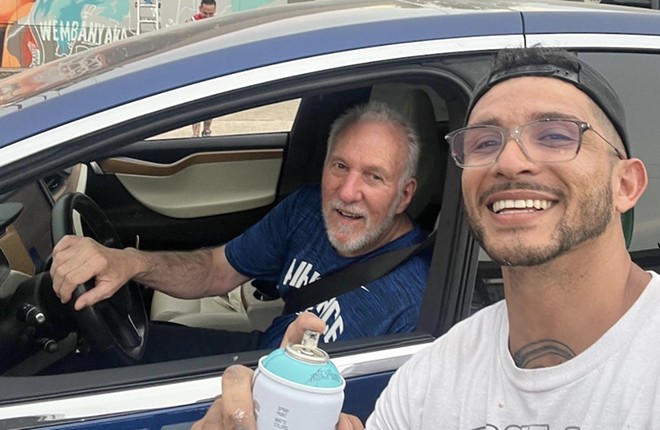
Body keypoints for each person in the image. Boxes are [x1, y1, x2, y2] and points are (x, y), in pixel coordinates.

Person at [194, 46, 660, 429]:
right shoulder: (431, 378)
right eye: (484, 142)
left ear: (627, 185)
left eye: (556, 135)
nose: (510, 161)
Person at [51, 102, 431, 361]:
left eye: (374, 176)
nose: (348, 192)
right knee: (102, 354)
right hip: (256, 353)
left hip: (283, 405)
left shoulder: (417, 301)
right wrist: (130, 262)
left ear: (404, 196)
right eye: (340, 166)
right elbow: (217, 268)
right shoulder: (307, 210)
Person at [187, 0, 216, 137]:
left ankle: (207, 130)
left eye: (211, 14)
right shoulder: (191, 24)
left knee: (210, 101)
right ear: (199, 9)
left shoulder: (217, 25)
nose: (208, 17)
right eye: (205, 13)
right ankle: (195, 133)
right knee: (196, 102)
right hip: (195, 69)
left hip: (210, 67)